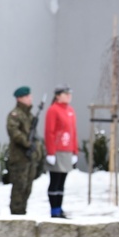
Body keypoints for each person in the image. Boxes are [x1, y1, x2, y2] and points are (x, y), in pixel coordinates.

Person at [44, 85, 78, 219]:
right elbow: (49, 132)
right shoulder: (53, 110)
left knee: (62, 181)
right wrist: (51, 152)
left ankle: (60, 208)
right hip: (57, 150)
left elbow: (73, 132)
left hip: (67, 150)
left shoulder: (70, 110)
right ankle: (54, 210)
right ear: (58, 95)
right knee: (55, 180)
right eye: (65, 93)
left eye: (69, 93)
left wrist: (75, 151)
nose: (69, 96)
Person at [7, 86, 41, 215]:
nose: (30, 98)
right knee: (19, 187)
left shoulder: (29, 115)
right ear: (20, 98)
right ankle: (16, 214)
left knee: (27, 187)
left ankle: (23, 211)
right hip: (19, 157)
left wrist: (36, 149)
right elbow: (14, 132)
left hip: (29, 157)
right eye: (27, 96)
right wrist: (27, 143)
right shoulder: (15, 114)